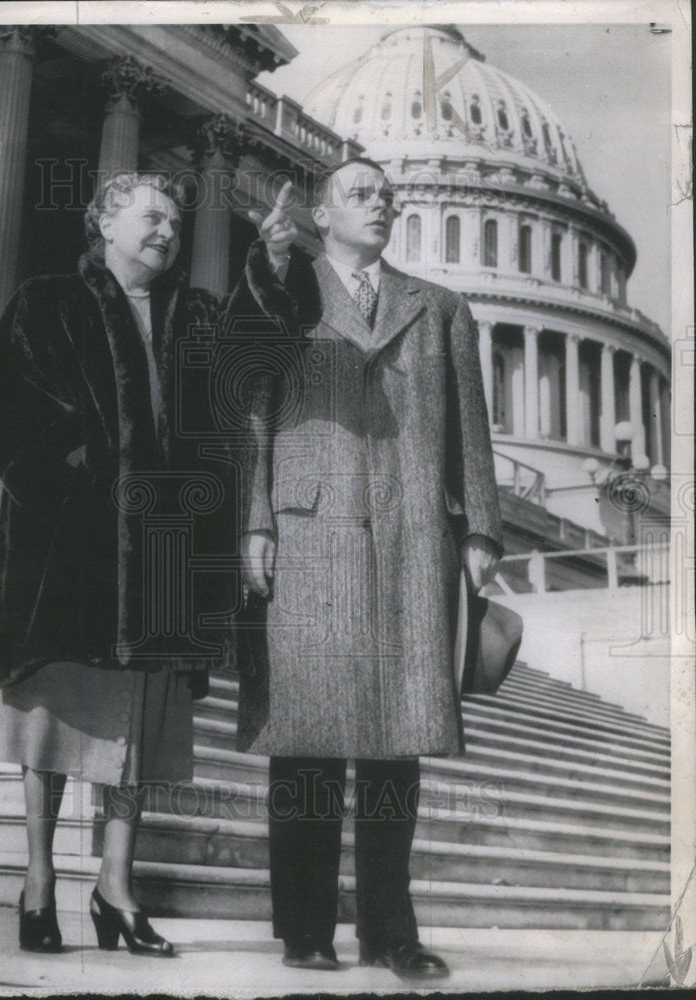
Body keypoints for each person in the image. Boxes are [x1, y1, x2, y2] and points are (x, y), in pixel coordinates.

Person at [226, 158, 502, 980]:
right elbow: (250, 397)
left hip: (417, 534)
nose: (379, 204)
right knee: (306, 738)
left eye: (387, 196)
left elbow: (469, 424)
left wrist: (481, 527)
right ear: (320, 213)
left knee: (398, 743)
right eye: (360, 194)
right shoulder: (286, 288)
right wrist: (254, 519)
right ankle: (305, 929)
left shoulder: (441, 307)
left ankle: (392, 933)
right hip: (310, 529)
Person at [0, 172, 231, 957]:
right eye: (151, 217)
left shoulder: (192, 316)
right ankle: (40, 882)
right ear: (105, 224)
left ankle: (116, 889)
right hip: (64, 545)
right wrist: (62, 470)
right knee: (49, 718)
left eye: (176, 224)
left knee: (137, 730)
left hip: (158, 552)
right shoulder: (48, 299)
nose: (167, 232)